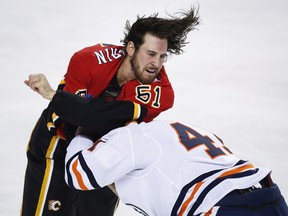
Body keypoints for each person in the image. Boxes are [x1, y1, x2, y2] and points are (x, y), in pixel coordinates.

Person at [22, 7, 200, 216]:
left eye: (162, 56)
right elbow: (75, 118)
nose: (157, 64)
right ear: (131, 48)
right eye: (151, 54)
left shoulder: (162, 92)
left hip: (105, 157)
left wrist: (54, 95)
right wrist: (69, 104)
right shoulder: (87, 60)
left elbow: (91, 116)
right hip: (57, 146)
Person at [63, 119, 288, 216]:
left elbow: (78, 173)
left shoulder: (127, 138)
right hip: (269, 197)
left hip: (224, 209)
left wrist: (82, 133)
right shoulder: (170, 127)